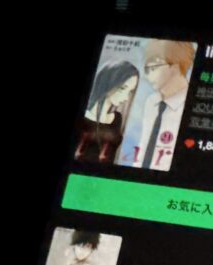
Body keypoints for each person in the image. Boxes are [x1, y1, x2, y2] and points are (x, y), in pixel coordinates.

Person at [133, 40, 196, 171]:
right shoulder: (151, 101)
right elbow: (144, 144)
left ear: (175, 66)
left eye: (153, 68)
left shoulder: (193, 105)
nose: (147, 76)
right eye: (146, 70)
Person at [75, 61, 139, 164]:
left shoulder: (116, 119)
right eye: (123, 88)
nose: (126, 97)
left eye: (130, 91)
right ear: (109, 82)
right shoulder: (83, 116)